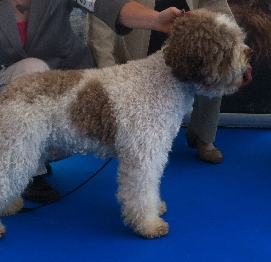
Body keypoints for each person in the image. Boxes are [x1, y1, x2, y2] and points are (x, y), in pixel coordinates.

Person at [0, 0, 183, 203]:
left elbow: (109, 4)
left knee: (63, 119)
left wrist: (156, 20)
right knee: (32, 70)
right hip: (5, 84)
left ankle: (31, 159)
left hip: (63, 83)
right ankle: (28, 173)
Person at [87, 0, 234, 164]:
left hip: (191, 40)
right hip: (139, 47)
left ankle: (203, 135)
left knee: (213, 63)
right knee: (139, 143)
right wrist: (106, 67)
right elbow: (102, 17)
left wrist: (230, 42)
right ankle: (140, 143)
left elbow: (217, 5)